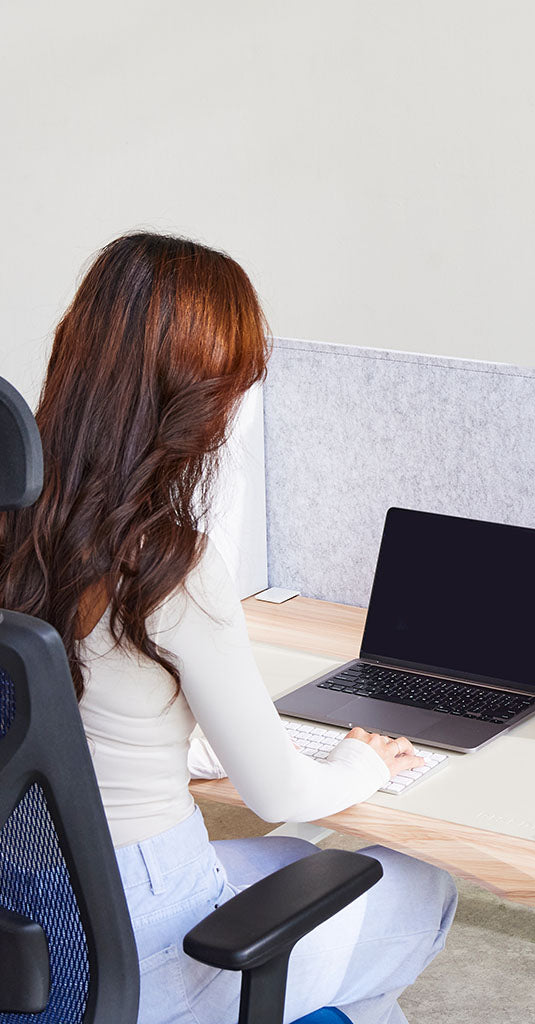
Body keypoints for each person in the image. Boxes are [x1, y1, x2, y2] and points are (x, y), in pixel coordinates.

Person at [0, 233, 456, 1024]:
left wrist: (180, 739)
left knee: (292, 865)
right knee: (417, 889)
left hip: (28, 930)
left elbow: (69, 720)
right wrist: (361, 761)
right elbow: (278, 791)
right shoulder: (166, 564)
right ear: (196, 400)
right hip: (139, 949)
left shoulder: (17, 527)